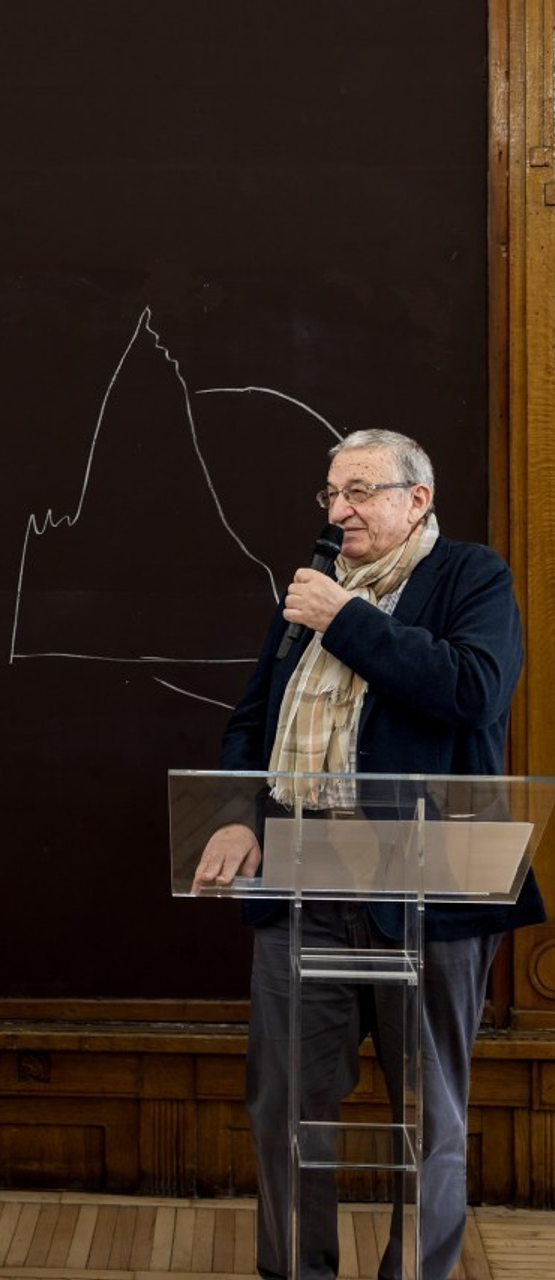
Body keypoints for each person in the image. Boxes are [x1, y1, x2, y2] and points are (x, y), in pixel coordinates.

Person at [191, 429, 545, 1280]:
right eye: (330, 494)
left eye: (359, 491)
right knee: (283, 1107)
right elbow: (253, 721)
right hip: (304, 876)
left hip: (434, 883)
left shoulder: (470, 578)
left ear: (416, 499)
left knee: (431, 1115)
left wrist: (344, 621)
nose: (338, 510)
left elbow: (473, 689)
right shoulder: (315, 589)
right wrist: (239, 815)